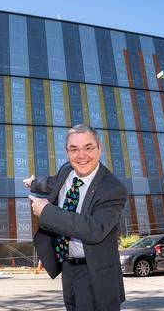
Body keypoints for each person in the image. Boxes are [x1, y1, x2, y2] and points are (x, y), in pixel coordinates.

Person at [24, 124, 127, 311]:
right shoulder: (67, 171)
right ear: (67, 152)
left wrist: (46, 212)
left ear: (99, 148)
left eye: (88, 148)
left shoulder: (113, 189)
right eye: (74, 149)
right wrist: (33, 183)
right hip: (68, 267)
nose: (81, 155)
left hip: (95, 273)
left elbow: (94, 229)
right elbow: (51, 183)